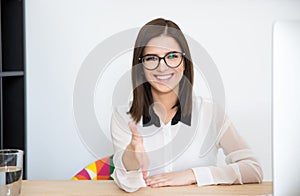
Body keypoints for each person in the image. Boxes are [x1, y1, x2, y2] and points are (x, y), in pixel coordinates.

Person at [110, 18, 263, 192]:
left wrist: (192, 175)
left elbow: (253, 169)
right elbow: (127, 184)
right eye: (152, 58)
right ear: (141, 66)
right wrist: (132, 156)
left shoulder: (210, 113)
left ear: (184, 62)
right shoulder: (123, 117)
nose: (162, 68)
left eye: (172, 56)